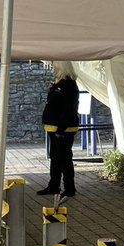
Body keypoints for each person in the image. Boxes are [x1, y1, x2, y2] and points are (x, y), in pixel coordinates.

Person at [38, 62, 80, 199]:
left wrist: (61, 129)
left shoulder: (69, 85)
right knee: (55, 158)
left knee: (65, 159)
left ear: (64, 69)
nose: (54, 70)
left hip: (63, 129)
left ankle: (69, 188)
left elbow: (69, 108)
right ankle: (54, 185)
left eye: (57, 67)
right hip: (53, 127)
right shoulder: (59, 84)